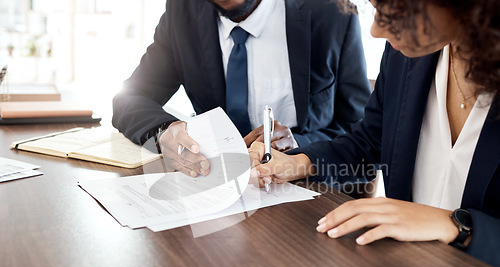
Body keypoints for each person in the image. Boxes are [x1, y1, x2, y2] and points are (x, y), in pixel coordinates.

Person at [250, 0, 500, 267]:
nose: (376, 30)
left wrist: (455, 226)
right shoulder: (405, 55)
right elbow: (368, 143)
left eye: (398, 11)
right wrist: (298, 163)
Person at [112, 0, 371, 178]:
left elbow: (361, 128)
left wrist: (297, 145)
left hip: (307, 188)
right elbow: (130, 98)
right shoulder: (183, 13)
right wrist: (165, 131)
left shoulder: (331, 11)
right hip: (214, 184)